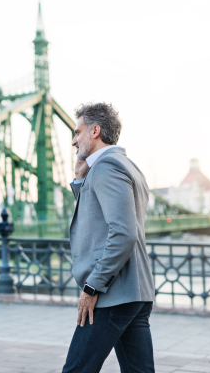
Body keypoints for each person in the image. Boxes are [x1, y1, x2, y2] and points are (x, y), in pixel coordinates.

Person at [62, 102, 155, 373]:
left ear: (95, 130)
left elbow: (123, 233)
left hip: (111, 294)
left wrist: (92, 287)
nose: (73, 140)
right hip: (135, 293)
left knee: (77, 370)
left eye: (77, 132)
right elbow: (97, 219)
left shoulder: (106, 168)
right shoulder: (127, 166)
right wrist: (80, 181)